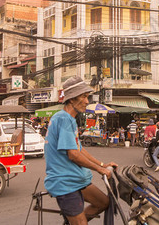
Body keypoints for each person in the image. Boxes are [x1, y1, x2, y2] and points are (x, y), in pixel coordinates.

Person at [44, 76, 117, 225]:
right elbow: (74, 155)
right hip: (65, 183)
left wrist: (102, 165)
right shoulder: (64, 119)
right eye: (83, 97)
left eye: (87, 97)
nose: (87, 101)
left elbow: (79, 149)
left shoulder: (68, 119)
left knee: (103, 202)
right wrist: (99, 170)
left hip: (76, 180)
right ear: (71, 99)